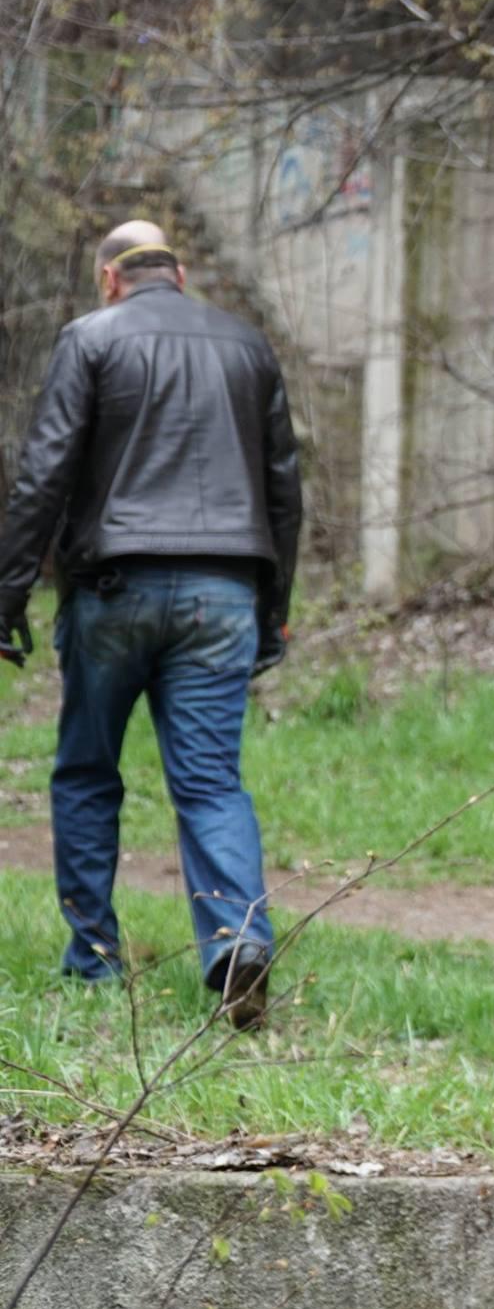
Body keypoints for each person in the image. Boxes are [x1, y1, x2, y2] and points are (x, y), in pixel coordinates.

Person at [0, 221, 300, 1029]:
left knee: (87, 772)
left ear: (110, 279)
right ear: (181, 272)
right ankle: (239, 940)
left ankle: (93, 955)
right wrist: (273, 610)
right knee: (210, 781)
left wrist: (8, 595)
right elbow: (284, 487)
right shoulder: (246, 344)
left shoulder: (90, 338)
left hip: (113, 588)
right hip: (224, 595)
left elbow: (44, 474)